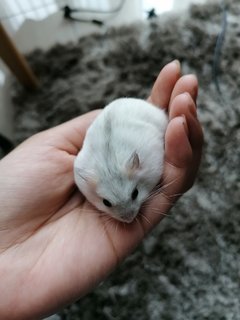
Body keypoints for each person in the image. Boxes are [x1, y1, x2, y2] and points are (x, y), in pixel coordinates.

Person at [0, 60, 203, 319]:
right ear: (97, 193)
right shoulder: (86, 177)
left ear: (136, 168)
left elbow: (156, 149)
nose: (128, 216)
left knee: (174, 132)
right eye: (108, 204)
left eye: (133, 196)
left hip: (138, 116)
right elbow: (83, 172)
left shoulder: (142, 162)